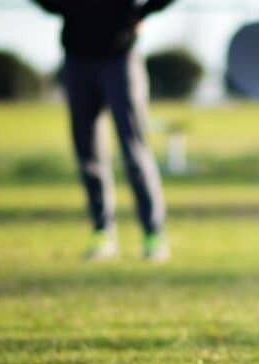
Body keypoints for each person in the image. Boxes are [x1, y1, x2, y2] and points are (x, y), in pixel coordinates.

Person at [31, 0, 176, 261]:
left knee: (134, 151)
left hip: (120, 56)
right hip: (78, 59)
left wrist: (141, 12)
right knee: (88, 154)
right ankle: (102, 233)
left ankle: (153, 235)